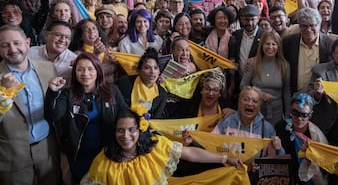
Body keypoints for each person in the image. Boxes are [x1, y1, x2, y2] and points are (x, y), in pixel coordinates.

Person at [80, 106, 245, 185]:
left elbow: (190, 154)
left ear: (140, 130)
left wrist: (225, 158)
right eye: (120, 131)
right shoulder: (103, 162)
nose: (126, 136)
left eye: (131, 130)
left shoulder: (155, 146)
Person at [45, 52, 128, 182]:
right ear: (74, 72)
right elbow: (53, 116)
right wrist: (52, 92)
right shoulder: (68, 94)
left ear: (98, 71)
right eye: (80, 69)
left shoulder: (112, 90)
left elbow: (125, 114)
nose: (85, 73)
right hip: (79, 154)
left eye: (90, 69)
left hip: (106, 152)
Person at [0, 25, 62, 184]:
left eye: (16, 43)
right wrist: (4, 96)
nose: (12, 49)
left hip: (47, 148)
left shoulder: (48, 68)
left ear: (27, 43)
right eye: (5, 45)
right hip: (11, 154)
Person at [275, 93, 328, 185]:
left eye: (304, 115)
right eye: (295, 113)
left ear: (310, 115)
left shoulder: (317, 136)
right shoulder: (281, 127)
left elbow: (323, 167)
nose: (299, 118)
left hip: (308, 179)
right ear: (290, 111)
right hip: (284, 176)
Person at [241, 30, 291, 125]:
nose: (270, 47)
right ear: (262, 45)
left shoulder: (285, 66)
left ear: (278, 46)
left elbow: (286, 91)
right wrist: (261, 94)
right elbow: (243, 85)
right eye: (267, 44)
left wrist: (288, 115)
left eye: (274, 44)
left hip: (276, 112)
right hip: (254, 110)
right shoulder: (253, 63)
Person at [283, 7, 334, 93]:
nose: (308, 29)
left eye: (312, 25)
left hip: (320, 98)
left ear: (319, 24)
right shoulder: (289, 42)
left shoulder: (330, 44)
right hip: (295, 98)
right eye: (304, 26)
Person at [115, 48, 167, 118]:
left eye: (155, 68)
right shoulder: (125, 83)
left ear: (159, 72)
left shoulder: (161, 93)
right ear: (139, 70)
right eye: (147, 68)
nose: (152, 72)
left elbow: (156, 119)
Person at [228, 5, 264, 102]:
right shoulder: (236, 35)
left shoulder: (264, 36)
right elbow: (232, 60)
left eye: (253, 19)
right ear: (241, 20)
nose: (250, 23)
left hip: (258, 83)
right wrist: (232, 84)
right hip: (239, 82)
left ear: (258, 19)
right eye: (246, 20)